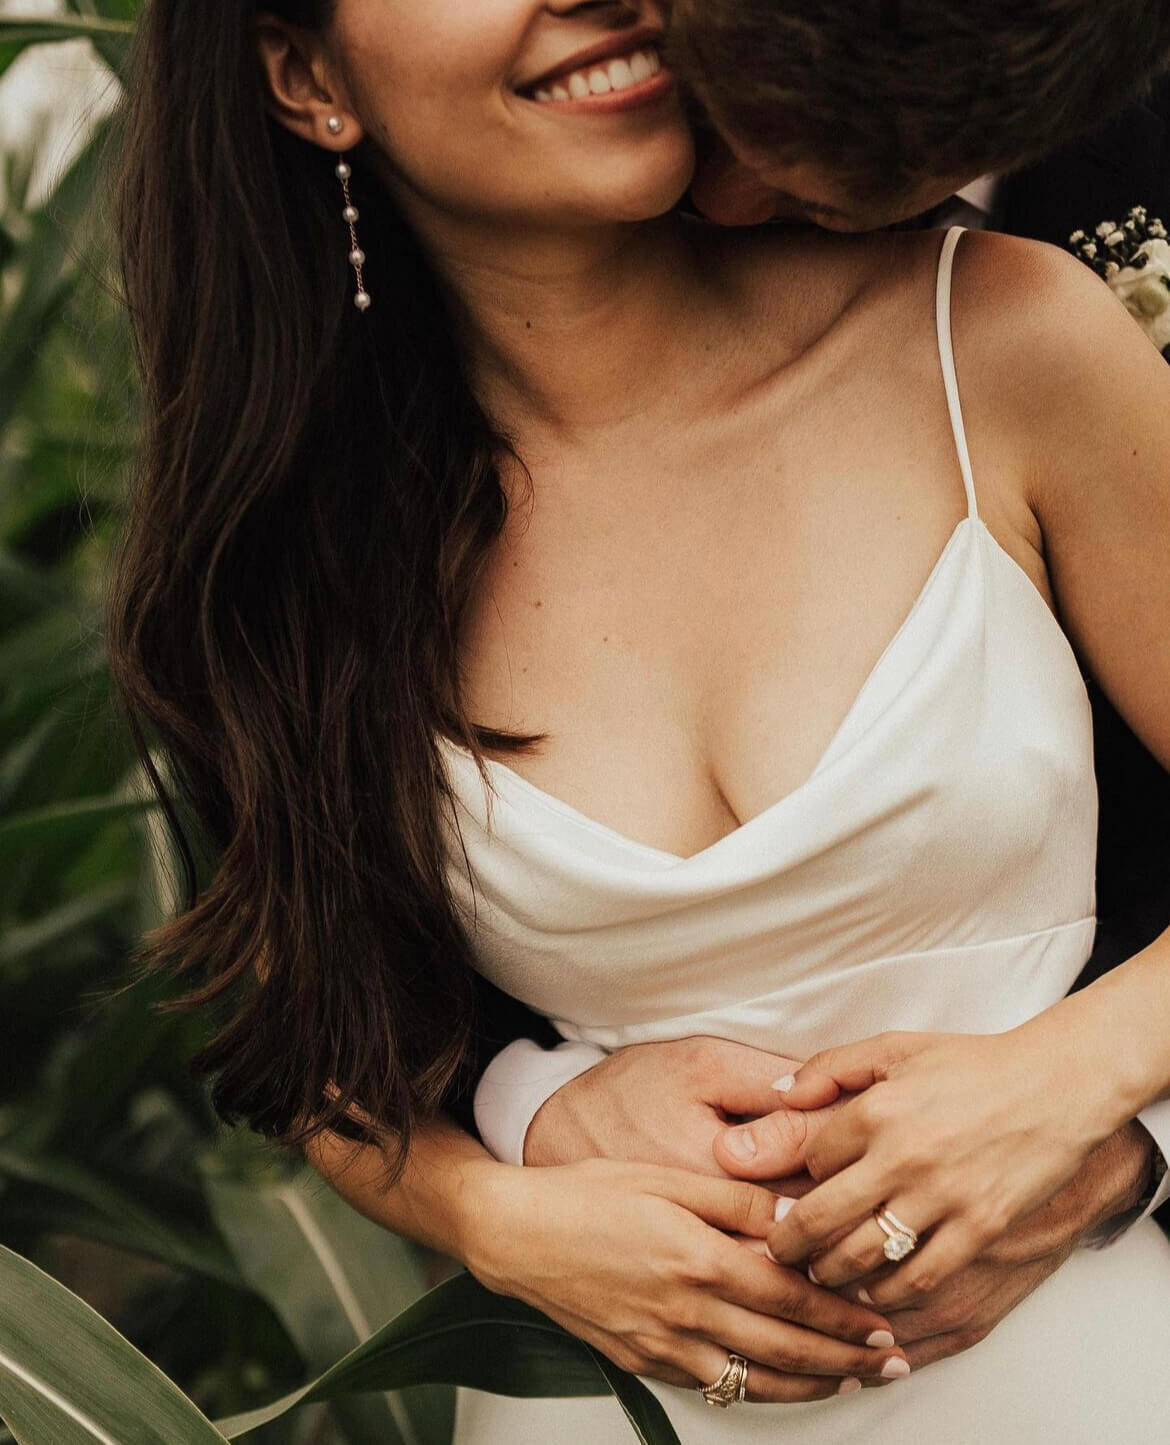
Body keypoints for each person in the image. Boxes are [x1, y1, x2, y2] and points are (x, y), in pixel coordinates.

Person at [105, 1, 1170, 1442]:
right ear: (305, 78)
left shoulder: (995, 334)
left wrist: (1072, 1084)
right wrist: (495, 1204)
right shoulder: (301, 551)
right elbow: (307, 1025)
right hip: (598, 1405)